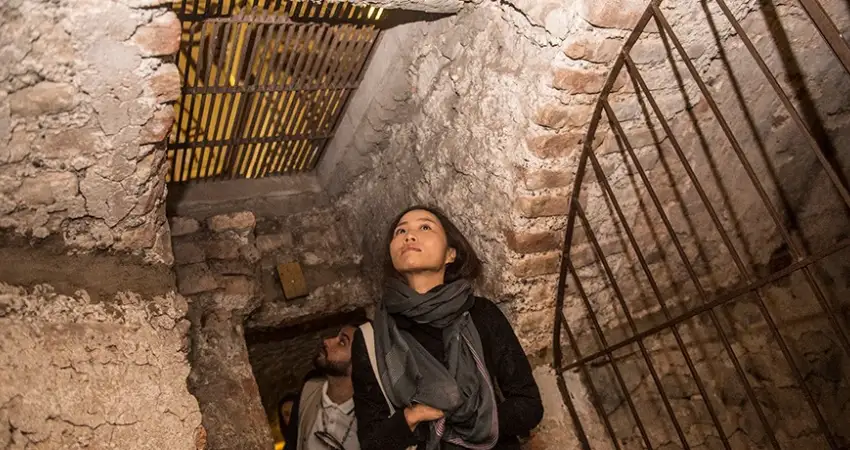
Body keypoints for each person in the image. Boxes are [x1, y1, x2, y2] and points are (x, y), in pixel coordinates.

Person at [351, 206, 544, 450]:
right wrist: (413, 417)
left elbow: (529, 404)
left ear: (450, 254)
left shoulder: (481, 314)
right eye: (400, 231)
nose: (409, 236)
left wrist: (468, 423)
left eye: (424, 227)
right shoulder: (372, 338)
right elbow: (372, 442)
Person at [285, 324, 364, 450]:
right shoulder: (308, 390)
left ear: (359, 363)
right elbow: (291, 444)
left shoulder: (370, 414)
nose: (327, 341)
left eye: (342, 342)